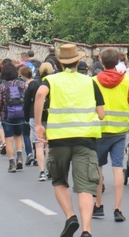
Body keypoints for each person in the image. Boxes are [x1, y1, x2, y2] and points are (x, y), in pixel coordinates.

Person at [35, 44, 104, 237]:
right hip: (85, 140)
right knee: (85, 187)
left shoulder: (51, 80)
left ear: (58, 62)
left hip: (59, 139)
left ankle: (70, 216)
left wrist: (39, 124)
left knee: (59, 180)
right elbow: (101, 113)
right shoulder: (90, 82)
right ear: (78, 61)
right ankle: (86, 230)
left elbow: (40, 94)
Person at [93, 48, 129, 222]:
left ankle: (98, 206)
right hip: (120, 131)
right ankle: (118, 209)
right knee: (117, 168)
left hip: (99, 130)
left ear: (101, 62)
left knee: (98, 168)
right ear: (118, 61)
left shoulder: (94, 81)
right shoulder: (126, 79)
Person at [0, 62, 29, 172]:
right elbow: (27, 99)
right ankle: (19, 157)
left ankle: (12, 163)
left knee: (9, 140)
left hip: (7, 116)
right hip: (20, 114)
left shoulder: (2, 86)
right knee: (18, 136)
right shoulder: (22, 84)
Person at [24, 61, 53, 181]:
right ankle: (50, 169)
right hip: (50, 115)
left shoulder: (33, 84)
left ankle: (42, 172)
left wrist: (26, 117)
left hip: (35, 116)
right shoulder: (53, 83)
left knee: (39, 144)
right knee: (50, 144)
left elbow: (26, 102)